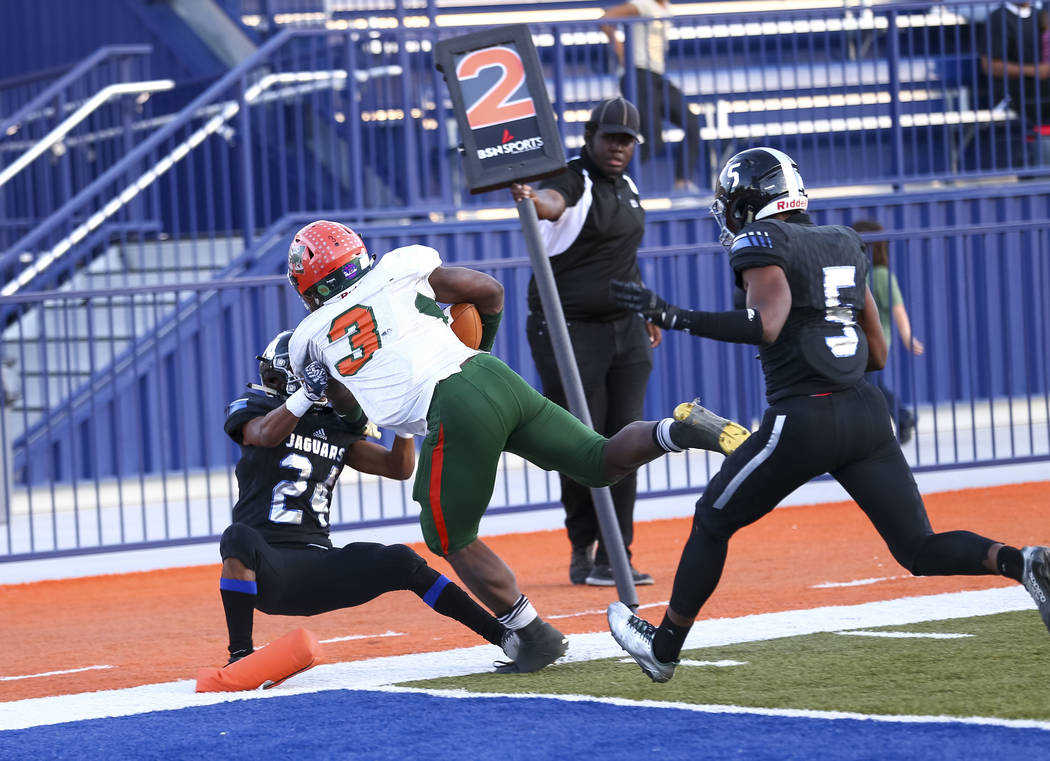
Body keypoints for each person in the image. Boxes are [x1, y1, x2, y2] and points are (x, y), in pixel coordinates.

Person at [607, 146, 1050, 682]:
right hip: (866, 414)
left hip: (804, 417)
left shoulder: (761, 241)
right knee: (917, 547)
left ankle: (665, 646)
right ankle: (1021, 562)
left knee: (712, 519)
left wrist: (672, 315)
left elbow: (766, 324)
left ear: (749, 202)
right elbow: (879, 354)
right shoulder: (846, 242)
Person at [283, 219, 750, 674]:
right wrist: (477, 345)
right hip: (490, 375)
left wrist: (346, 418)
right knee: (598, 461)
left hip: (450, 403)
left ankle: (533, 635)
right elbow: (489, 290)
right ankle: (678, 429)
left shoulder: (309, 337)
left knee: (447, 535)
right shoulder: (400, 267)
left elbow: (346, 404)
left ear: (307, 284)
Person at [197, 330, 520, 691]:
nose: (269, 383)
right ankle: (240, 656)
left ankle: (506, 638)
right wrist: (306, 395)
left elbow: (397, 468)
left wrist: (403, 425)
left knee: (401, 560)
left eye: (277, 376)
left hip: (318, 564)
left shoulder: (333, 426)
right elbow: (264, 436)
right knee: (237, 537)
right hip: (267, 568)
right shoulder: (258, 410)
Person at [510, 96, 661, 588]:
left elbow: (624, 255)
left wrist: (646, 308)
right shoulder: (574, 179)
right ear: (589, 137)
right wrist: (535, 201)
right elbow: (555, 203)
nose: (619, 147)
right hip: (569, 331)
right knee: (582, 441)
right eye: (610, 137)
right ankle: (583, 545)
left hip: (626, 329)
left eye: (627, 140)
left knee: (629, 439)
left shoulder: (630, 187)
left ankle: (615, 556)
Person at [600, 0, 701, 192]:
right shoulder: (643, 4)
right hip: (637, 74)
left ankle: (682, 184)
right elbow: (606, 18)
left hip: (656, 76)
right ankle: (605, 176)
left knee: (692, 122)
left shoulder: (667, 8)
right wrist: (620, 49)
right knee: (654, 141)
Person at [851, 219, 925, 445]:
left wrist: (907, 336)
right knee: (871, 385)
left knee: (868, 386)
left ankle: (889, 424)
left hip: (874, 342)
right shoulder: (855, 272)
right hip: (857, 340)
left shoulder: (881, 275)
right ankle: (903, 417)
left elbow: (898, 309)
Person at [980, 1, 1050, 167]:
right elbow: (989, 66)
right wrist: (1033, 71)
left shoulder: (1041, 16)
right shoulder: (998, 18)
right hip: (1015, 95)